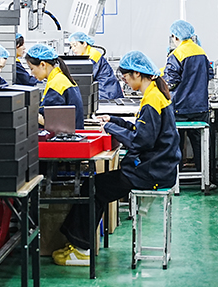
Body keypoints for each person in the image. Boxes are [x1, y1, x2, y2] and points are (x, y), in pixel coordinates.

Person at [53, 50, 181, 266]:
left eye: (126, 76)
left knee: (93, 188)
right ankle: (78, 244)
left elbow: (141, 142)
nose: (125, 81)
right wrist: (113, 120)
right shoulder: (154, 94)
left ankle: (82, 250)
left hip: (151, 172)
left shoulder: (152, 99)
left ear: (137, 74)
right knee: (95, 186)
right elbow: (141, 130)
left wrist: (110, 128)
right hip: (154, 167)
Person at [164, 20, 214, 170]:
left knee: (177, 143)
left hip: (180, 108)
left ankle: (177, 176)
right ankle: (204, 176)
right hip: (200, 107)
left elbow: (170, 82)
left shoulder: (177, 54)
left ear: (175, 36)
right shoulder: (201, 52)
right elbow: (210, 74)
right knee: (201, 145)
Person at [25, 44, 85, 129]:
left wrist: (28, 113)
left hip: (64, 135)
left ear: (43, 65)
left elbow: (51, 122)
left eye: (32, 68)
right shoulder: (60, 78)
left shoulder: (56, 85)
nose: (32, 73)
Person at [69, 31, 123, 100]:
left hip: (106, 91)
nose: (73, 49)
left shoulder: (92, 56)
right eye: (71, 46)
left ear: (84, 43)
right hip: (105, 91)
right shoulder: (86, 55)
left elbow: (85, 78)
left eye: (75, 45)